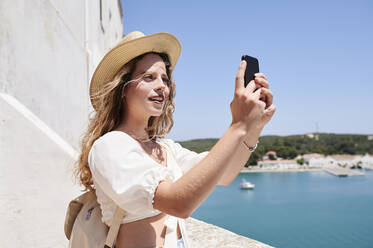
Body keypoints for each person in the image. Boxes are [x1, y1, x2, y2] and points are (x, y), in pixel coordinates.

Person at [74, 31, 275, 248]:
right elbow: (178, 203)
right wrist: (238, 126)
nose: (162, 86)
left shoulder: (165, 148)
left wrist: (254, 127)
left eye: (165, 79)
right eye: (149, 77)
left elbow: (224, 175)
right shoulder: (110, 147)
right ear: (123, 88)